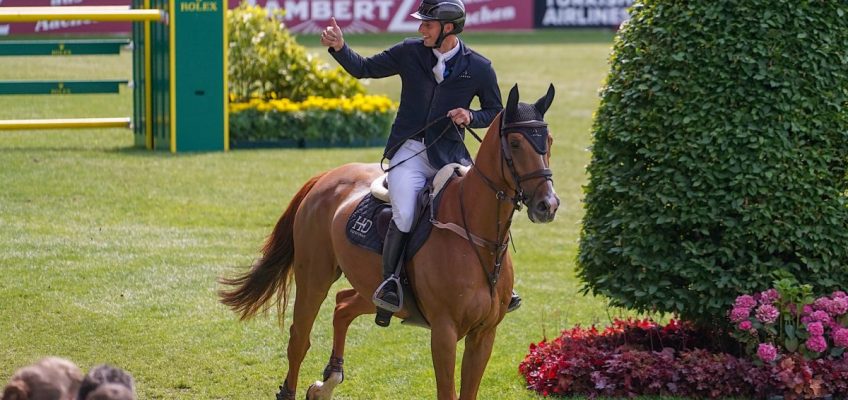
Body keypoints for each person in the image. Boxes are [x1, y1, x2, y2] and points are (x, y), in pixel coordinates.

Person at [321, 0, 521, 326]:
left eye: (427, 24)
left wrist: (471, 115)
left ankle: (503, 284)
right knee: (405, 210)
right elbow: (365, 68)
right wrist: (340, 47)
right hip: (409, 153)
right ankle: (390, 283)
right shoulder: (409, 52)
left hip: (450, 155)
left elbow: (495, 111)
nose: (420, 29)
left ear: (448, 28)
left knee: (489, 202)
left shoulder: (480, 67)